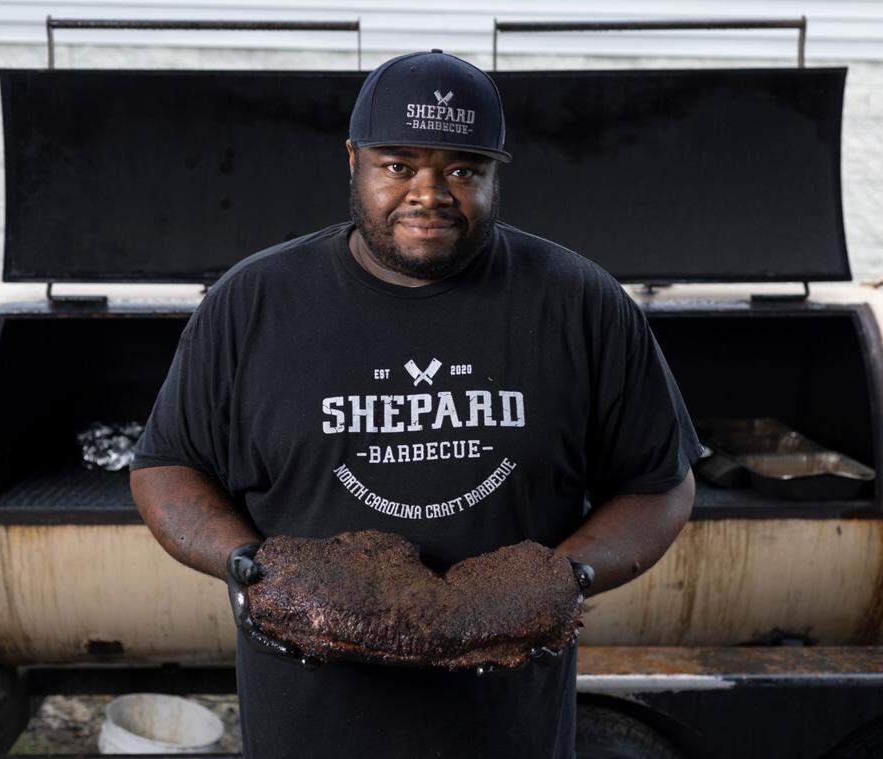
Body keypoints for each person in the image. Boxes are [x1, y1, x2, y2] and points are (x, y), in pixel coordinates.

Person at [129, 49, 702, 759]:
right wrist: (243, 561)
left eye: (462, 170)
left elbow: (660, 482)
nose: (428, 193)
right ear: (354, 162)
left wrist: (568, 576)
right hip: (309, 725)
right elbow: (166, 466)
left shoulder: (579, 301)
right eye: (398, 165)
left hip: (508, 728)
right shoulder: (253, 303)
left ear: (496, 173)